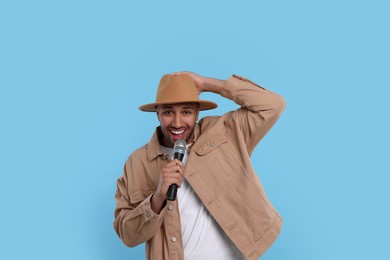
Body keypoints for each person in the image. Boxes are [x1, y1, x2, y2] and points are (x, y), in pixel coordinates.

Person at [113, 72, 286, 260]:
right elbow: (127, 235)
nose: (177, 122)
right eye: (168, 112)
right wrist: (157, 198)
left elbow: (272, 105)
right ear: (158, 113)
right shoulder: (137, 162)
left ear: (197, 112)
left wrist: (207, 84)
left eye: (186, 111)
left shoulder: (224, 132)